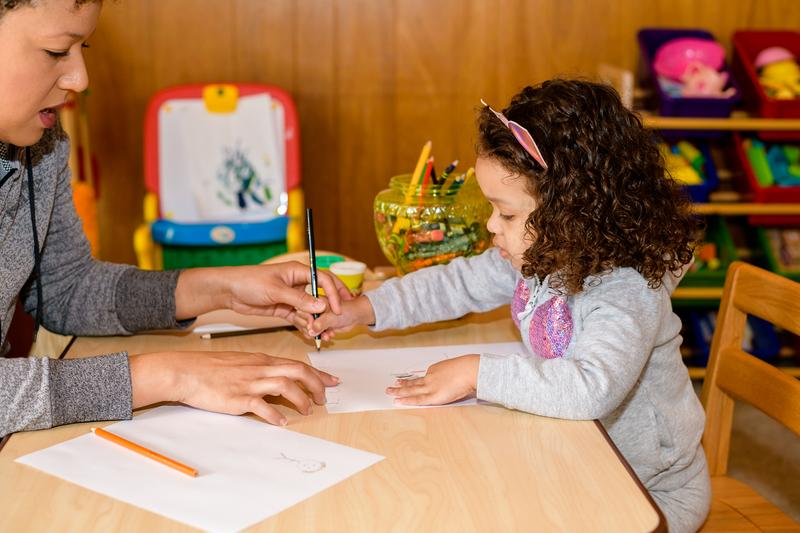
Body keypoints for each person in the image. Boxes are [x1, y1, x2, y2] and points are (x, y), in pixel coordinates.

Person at [306, 80, 711, 532]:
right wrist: (365, 308)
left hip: (648, 491)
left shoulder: (625, 290)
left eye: (508, 213)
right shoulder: (541, 255)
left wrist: (477, 373)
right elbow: (455, 284)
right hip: (573, 457)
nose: (491, 225)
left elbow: (591, 387)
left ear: (573, 213)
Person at [0, 0, 350, 437]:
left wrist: (219, 288)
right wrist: (165, 376)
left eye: (82, 47)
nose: (80, 78)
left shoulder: (41, 144)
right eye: (56, 51)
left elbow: (66, 289)